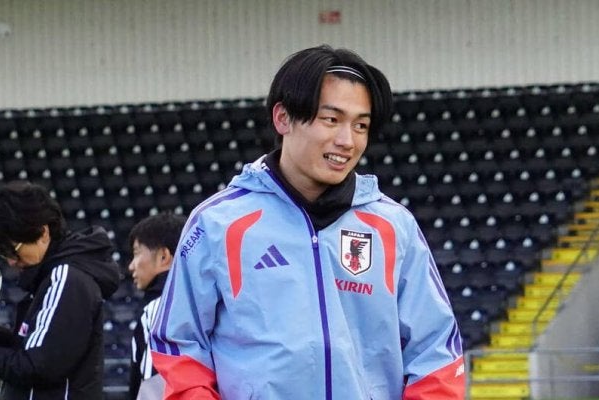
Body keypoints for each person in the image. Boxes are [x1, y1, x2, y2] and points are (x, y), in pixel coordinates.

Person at [151, 45, 465, 399]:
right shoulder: (217, 224)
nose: (347, 141)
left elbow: (436, 353)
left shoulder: (394, 227)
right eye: (331, 120)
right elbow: (179, 345)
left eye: (360, 125)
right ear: (283, 118)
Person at [0, 180, 121, 399]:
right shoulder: (50, 277)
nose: (10, 261)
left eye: (11, 249)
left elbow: (35, 367)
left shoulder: (66, 278)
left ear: (43, 232)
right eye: (0, 251)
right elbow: (30, 350)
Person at [126, 213, 185, 400]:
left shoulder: (159, 309)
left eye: (137, 253)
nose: (131, 266)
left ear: (163, 256)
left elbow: (153, 386)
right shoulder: (208, 303)